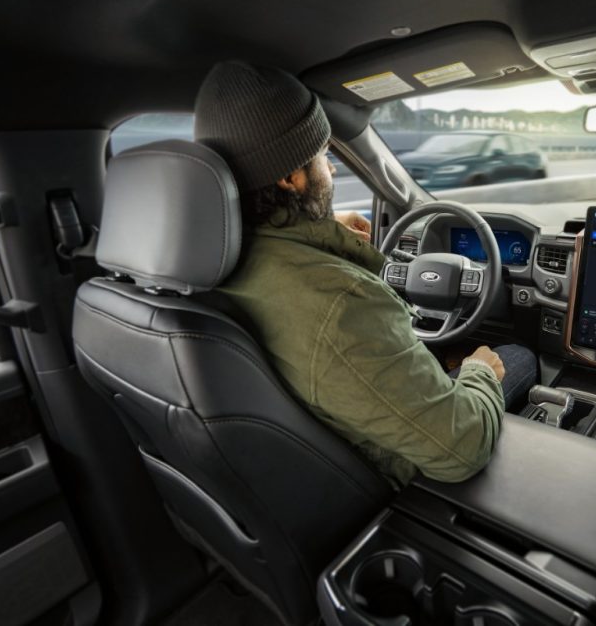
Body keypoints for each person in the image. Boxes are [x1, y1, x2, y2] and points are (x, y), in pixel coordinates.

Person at [192, 61, 537, 486]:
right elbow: (461, 449)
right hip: (389, 483)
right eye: (323, 156)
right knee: (516, 357)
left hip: (305, 464)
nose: (332, 169)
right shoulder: (343, 303)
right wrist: (478, 372)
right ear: (289, 177)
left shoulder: (208, 262)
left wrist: (329, 237)